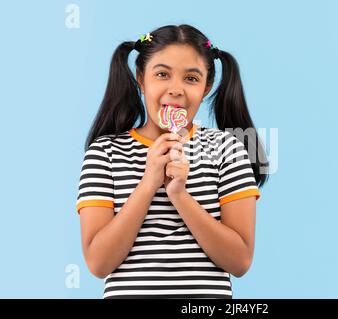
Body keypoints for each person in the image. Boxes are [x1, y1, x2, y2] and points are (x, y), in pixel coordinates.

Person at [76, 24, 269, 299]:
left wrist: (179, 194)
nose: (175, 89)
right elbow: (98, 263)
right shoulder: (105, 152)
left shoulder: (228, 149)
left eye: (191, 78)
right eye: (162, 74)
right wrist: (149, 183)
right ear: (141, 78)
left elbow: (239, 262)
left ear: (207, 87)